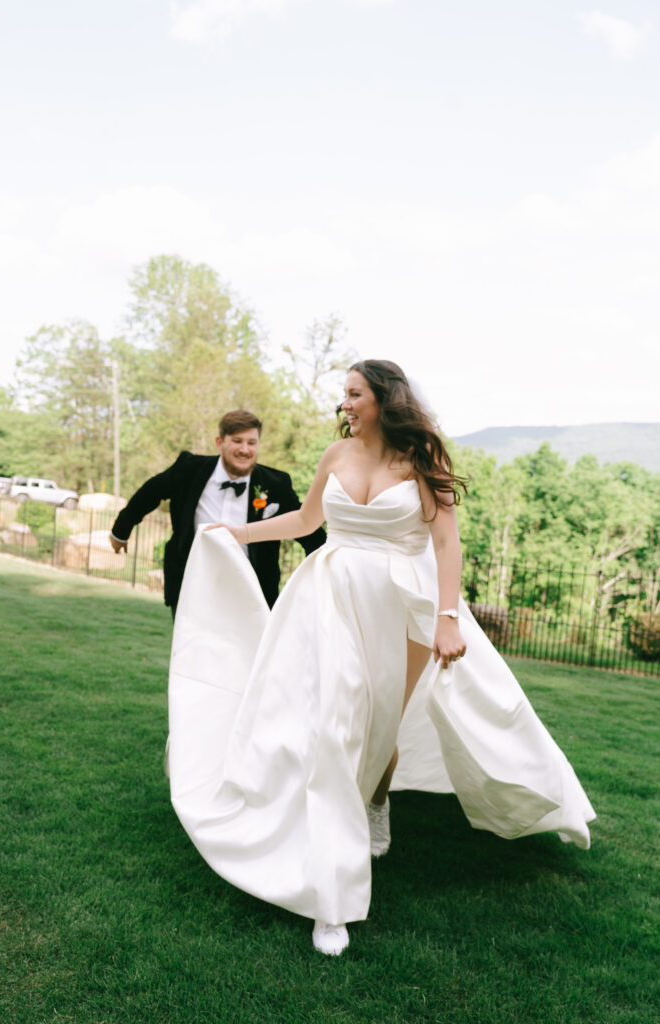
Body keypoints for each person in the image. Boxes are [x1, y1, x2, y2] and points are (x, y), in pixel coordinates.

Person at [167, 361, 595, 957]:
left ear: (384, 398)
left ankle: (375, 799)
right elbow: (308, 520)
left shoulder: (421, 459)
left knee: (379, 728)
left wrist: (448, 618)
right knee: (333, 724)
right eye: (343, 394)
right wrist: (236, 536)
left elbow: (446, 543)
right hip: (328, 596)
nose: (344, 403)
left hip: (402, 605)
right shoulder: (335, 456)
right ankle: (330, 896)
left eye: (354, 393)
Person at [109, 409, 326, 614]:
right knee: (191, 652)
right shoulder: (189, 469)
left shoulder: (276, 483)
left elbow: (306, 526)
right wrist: (120, 531)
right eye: (237, 441)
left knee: (249, 654)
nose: (245, 449)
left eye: (252, 442)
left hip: (251, 592)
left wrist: (328, 563)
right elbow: (149, 493)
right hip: (192, 585)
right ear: (220, 442)